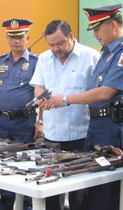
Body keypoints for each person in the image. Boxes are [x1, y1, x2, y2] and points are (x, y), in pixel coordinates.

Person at [39, 4, 123, 210]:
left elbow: (105, 92)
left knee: (110, 191)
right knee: (93, 192)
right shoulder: (107, 53)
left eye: (96, 29)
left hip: (112, 127)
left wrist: (66, 99)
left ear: (113, 25)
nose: (94, 35)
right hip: (96, 126)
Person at [30, 20, 100, 210]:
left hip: (81, 134)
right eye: (51, 44)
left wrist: (67, 99)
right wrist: (41, 98)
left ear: (71, 37)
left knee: (79, 193)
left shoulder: (91, 57)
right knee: (52, 191)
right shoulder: (44, 58)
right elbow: (39, 86)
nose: (55, 49)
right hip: (52, 135)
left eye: (60, 44)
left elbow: (99, 93)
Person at [0, 18, 39, 210]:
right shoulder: (0, 63)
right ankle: (6, 204)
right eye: (12, 37)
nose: (16, 41)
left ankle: (26, 205)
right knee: (4, 165)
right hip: (3, 123)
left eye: (20, 37)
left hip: (25, 122)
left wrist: (40, 122)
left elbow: (42, 93)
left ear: (27, 37)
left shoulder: (35, 62)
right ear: (7, 38)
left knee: (25, 165)